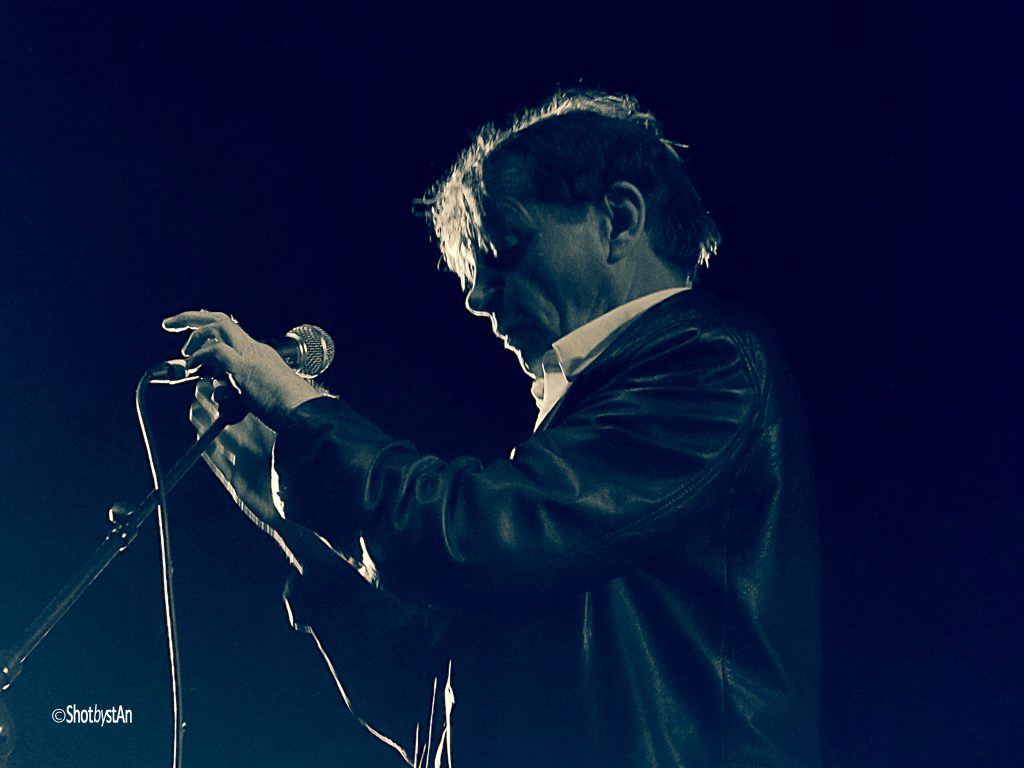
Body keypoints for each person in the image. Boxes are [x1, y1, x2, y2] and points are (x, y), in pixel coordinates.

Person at [163, 89, 821, 768]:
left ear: (620, 220)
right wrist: (296, 526)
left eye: (503, 245)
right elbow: (432, 706)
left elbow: (474, 536)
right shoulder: (590, 422)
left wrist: (296, 407)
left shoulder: (709, 364)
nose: (477, 298)